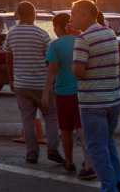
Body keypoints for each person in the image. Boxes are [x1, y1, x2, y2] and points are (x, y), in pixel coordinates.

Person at [71, 0, 120, 192]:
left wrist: (74, 63)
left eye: (74, 14)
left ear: (84, 15)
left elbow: (78, 71)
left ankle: (109, 187)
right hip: (114, 99)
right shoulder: (110, 34)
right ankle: (119, 181)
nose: (72, 18)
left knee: (95, 147)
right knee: (108, 141)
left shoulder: (83, 40)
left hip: (94, 102)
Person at [4, 1, 61, 165]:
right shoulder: (42, 34)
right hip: (41, 84)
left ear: (18, 15)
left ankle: (31, 154)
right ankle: (52, 149)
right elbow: (50, 62)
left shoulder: (11, 34)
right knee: (50, 116)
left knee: (27, 119)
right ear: (33, 14)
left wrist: (11, 80)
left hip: (21, 83)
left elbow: (9, 60)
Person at [43, 12, 89, 176]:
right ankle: (88, 162)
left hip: (63, 92)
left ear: (58, 27)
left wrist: (45, 94)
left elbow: (52, 71)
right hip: (83, 90)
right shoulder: (82, 40)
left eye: (54, 27)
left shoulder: (55, 45)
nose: (54, 30)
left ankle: (69, 163)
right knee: (83, 128)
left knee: (66, 129)